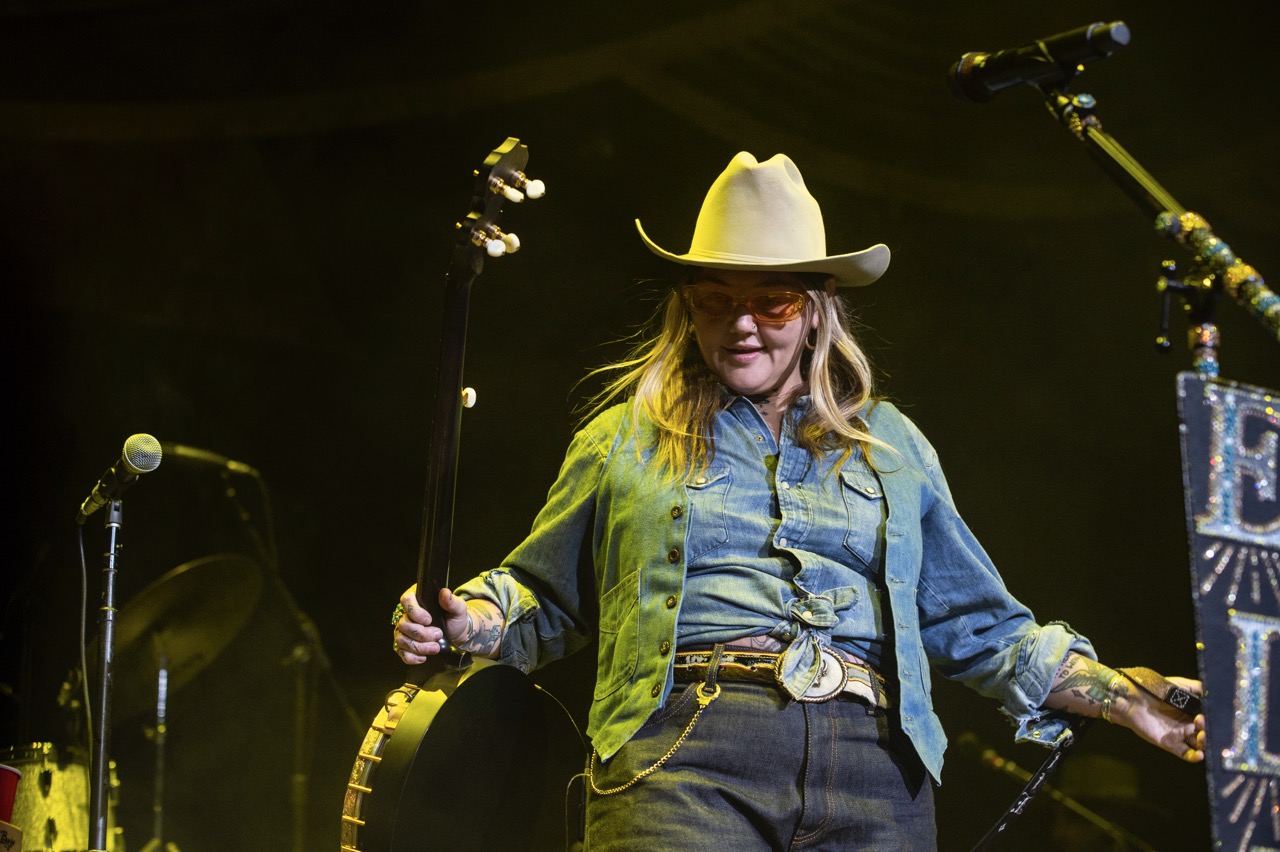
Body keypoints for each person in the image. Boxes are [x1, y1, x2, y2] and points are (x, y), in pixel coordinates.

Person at [391, 151, 1205, 850]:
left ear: (816, 311)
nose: (741, 324)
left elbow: (982, 629)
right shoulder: (626, 436)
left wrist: (1130, 699)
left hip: (877, 772)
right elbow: (543, 595)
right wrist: (469, 619)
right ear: (688, 308)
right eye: (716, 300)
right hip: (685, 758)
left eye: (771, 300)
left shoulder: (893, 445)